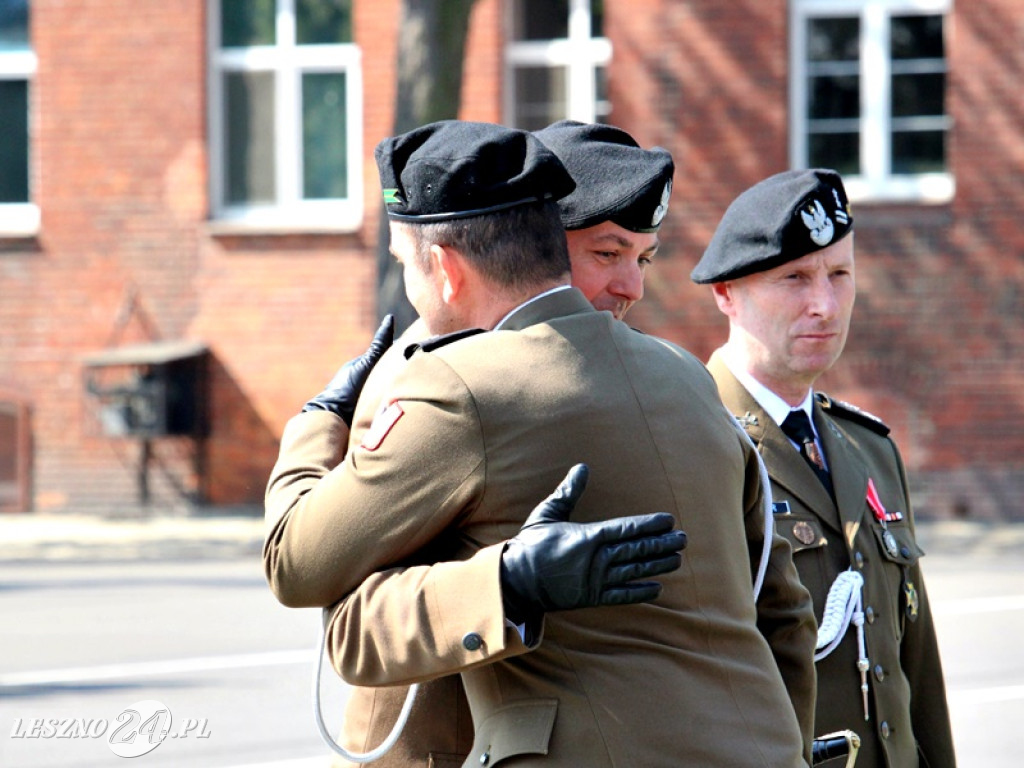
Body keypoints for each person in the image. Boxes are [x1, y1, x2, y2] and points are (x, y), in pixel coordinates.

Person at [265, 119, 815, 767]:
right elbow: (781, 611)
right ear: (547, 243)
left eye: (642, 259)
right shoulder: (689, 377)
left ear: (445, 268)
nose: (632, 286)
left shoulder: (453, 385)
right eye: (606, 254)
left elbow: (303, 570)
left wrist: (316, 420)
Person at [691, 168, 956, 767]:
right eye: (795, 278)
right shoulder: (692, 441)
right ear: (726, 292)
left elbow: (917, 670)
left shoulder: (869, 448)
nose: (825, 305)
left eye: (840, 274)